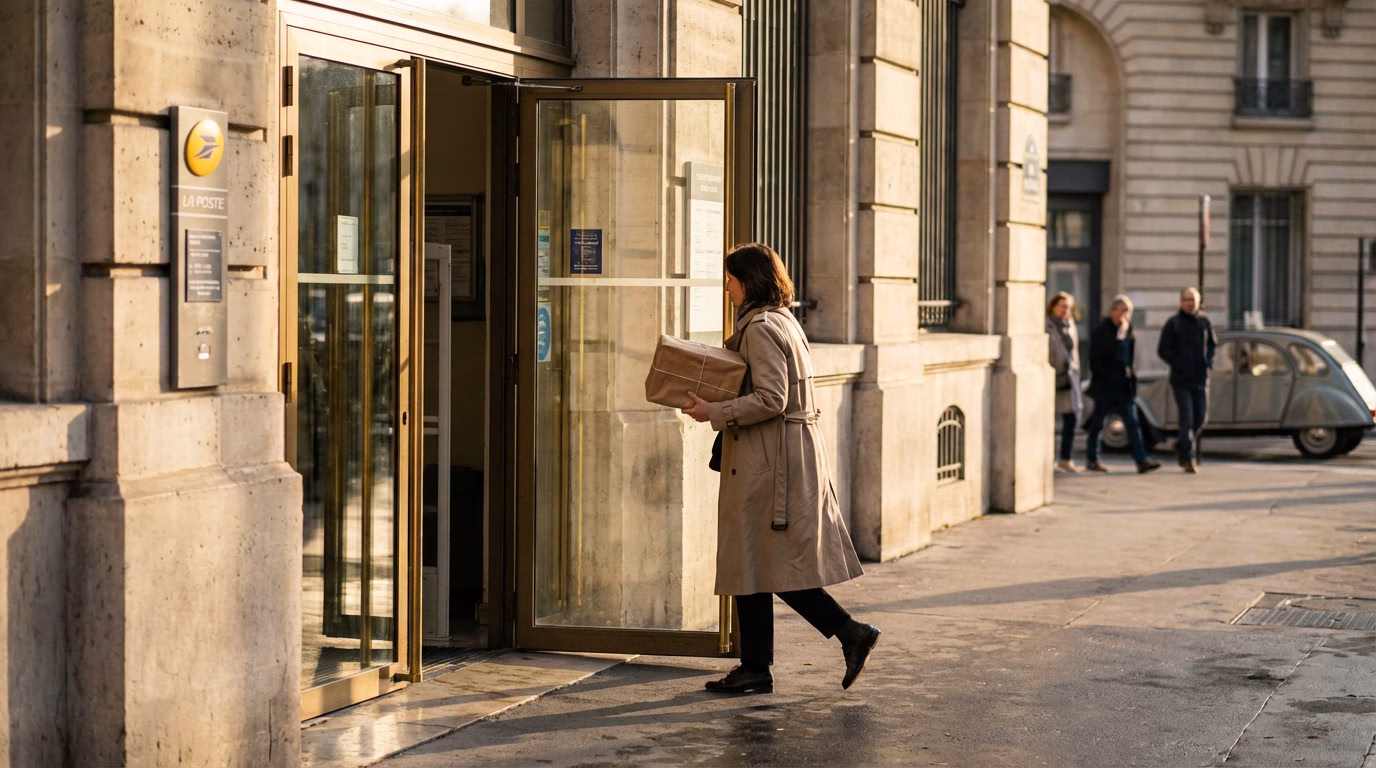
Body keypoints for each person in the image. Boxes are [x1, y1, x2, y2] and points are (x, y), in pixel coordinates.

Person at [682, 243, 878, 694]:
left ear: (748, 280)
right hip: (780, 454)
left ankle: (848, 633)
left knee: (758, 562)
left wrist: (714, 411)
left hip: (767, 461)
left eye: (731, 278)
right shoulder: (782, 320)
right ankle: (758, 667)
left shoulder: (760, 328)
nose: (726, 286)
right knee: (753, 562)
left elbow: (772, 398)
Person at [1083, 296, 1161, 474]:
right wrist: (1119, 338)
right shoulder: (1102, 331)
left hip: (1123, 387)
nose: (1122, 314)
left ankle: (1141, 460)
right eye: (1118, 310)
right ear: (1112, 311)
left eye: (1125, 311)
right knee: (1097, 423)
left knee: (1132, 423)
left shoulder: (1128, 332)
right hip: (1105, 386)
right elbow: (1101, 358)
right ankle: (1092, 458)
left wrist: (1131, 379)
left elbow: (1128, 359)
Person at [1157, 287, 1217, 474]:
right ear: (1180, 302)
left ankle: (1180, 445)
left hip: (1200, 378)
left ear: (1199, 302)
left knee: (1201, 418)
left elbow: (1212, 345)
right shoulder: (1173, 323)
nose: (1189, 303)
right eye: (1186, 299)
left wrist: (1208, 361)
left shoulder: (1204, 322)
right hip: (1181, 379)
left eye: (1193, 300)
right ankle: (1189, 458)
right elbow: (1162, 349)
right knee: (1187, 419)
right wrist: (1177, 362)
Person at [1046, 292, 1083, 473]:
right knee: (1048, 420)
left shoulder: (1071, 326)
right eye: (1062, 306)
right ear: (1053, 306)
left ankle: (1065, 458)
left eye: (1068, 307)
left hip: (1069, 378)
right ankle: (1048, 458)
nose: (1065, 310)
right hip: (1052, 377)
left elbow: (1074, 353)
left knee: (1072, 418)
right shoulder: (1046, 326)